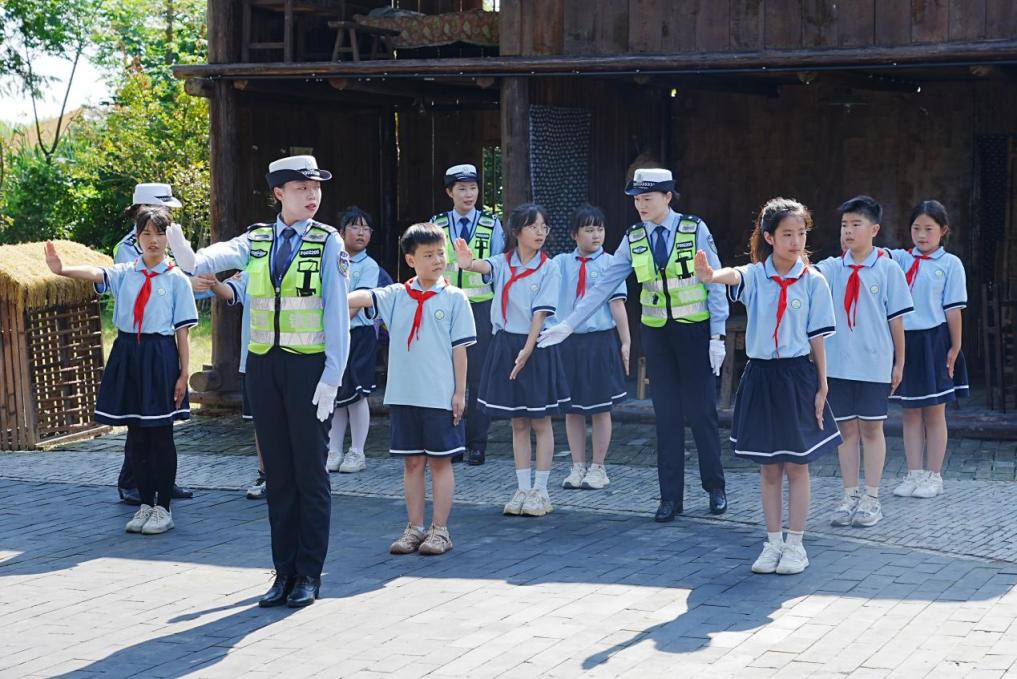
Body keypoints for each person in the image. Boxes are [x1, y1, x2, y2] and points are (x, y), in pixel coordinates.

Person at [167, 155, 350, 608]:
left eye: (316, 188)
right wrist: (184, 251)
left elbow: (337, 314)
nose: (312, 195)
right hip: (264, 368)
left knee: (310, 474)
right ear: (279, 194)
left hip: (308, 369)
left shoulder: (328, 242)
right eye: (301, 188)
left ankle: (308, 573)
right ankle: (283, 572)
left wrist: (332, 376)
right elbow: (211, 259)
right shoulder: (258, 238)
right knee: (278, 476)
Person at [538, 168, 728, 521]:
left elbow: (714, 281)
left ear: (667, 197)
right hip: (657, 335)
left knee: (702, 412)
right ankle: (670, 498)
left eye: (647, 198)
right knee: (666, 416)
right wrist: (569, 323)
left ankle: (714, 487)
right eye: (637, 199)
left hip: (694, 332)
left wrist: (717, 335)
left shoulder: (694, 229)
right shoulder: (634, 237)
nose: (640, 205)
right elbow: (604, 286)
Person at [694, 197, 841, 575]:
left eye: (801, 233)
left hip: (798, 376)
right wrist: (711, 276)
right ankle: (773, 542)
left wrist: (823, 385)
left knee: (797, 465)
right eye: (787, 234)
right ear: (770, 237)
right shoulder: (757, 276)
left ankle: (796, 545)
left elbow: (817, 338)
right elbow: (734, 275)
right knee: (770, 467)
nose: (796, 241)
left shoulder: (814, 282)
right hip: (761, 375)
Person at [45, 206, 197, 535]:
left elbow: (183, 332)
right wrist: (62, 269)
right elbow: (96, 273)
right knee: (136, 434)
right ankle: (145, 504)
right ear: (137, 237)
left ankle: (164, 508)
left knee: (161, 434)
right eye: (146, 233)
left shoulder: (176, 279)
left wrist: (184, 373)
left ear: (168, 238)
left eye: (160, 233)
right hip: (128, 353)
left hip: (159, 355)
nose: (153, 240)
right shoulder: (126, 271)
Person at [348, 222, 476, 555]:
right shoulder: (396, 295)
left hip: (440, 395)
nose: (437, 260)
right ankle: (415, 528)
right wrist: (335, 299)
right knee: (413, 463)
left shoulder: (455, 299)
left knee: (440, 463)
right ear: (410, 260)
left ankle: (440, 530)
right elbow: (365, 297)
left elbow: (460, 351)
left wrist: (460, 393)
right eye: (428, 255)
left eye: (440, 254)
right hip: (404, 395)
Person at [454, 203, 569, 517]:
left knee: (540, 420)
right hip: (506, 342)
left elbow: (540, 314)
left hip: (537, 345)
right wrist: (467, 263)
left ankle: (541, 491)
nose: (540, 233)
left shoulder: (549, 267)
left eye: (544, 227)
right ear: (517, 231)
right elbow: (482, 266)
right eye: (533, 226)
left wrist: (528, 349)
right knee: (518, 421)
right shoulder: (503, 262)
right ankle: (522, 488)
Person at [813, 196, 913, 528]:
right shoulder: (831, 268)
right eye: (844, 225)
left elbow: (897, 320)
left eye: (856, 224)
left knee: (871, 428)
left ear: (874, 230)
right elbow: (803, 272)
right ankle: (849, 495)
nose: (848, 231)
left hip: (874, 363)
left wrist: (899, 362)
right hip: (838, 364)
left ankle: (871, 497)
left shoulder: (888, 269)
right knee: (846, 431)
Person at [112, 183, 196, 505]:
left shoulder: (166, 240)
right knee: (139, 422)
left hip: (159, 344)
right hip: (136, 342)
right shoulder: (127, 249)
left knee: (158, 423)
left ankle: (163, 483)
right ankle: (131, 482)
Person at [887, 200, 968, 499]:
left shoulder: (950, 264)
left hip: (935, 341)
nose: (921, 235)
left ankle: (934, 475)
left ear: (943, 230)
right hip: (906, 342)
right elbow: (871, 254)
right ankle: (914, 473)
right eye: (916, 228)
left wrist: (955, 347)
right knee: (910, 412)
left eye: (929, 229)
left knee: (934, 412)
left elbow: (953, 310)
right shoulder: (899, 259)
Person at [551, 204, 631, 491]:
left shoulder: (611, 263)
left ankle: (598, 467)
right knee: (572, 409)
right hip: (568, 342)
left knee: (600, 407)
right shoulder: (561, 263)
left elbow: (617, 305)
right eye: (589, 230)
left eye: (600, 229)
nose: (596, 235)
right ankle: (577, 465)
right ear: (574, 234)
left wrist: (626, 341)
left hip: (599, 341)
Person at [431, 164, 505, 465]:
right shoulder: (437, 224)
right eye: (461, 188)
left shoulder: (492, 223)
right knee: (447, 376)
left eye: (473, 188)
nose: (468, 194)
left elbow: (498, 266)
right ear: (449, 192)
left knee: (477, 378)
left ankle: (477, 443)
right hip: (445, 307)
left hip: (480, 308)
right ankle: (452, 442)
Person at [202, 271, 267, 500]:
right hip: (256, 358)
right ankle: (265, 474)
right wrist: (214, 283)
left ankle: (297, 475)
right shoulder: (253, 267)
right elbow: (230, 292)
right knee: (262, 421)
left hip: (295, 358)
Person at [327, 207, 380, 475]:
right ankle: (334, 450)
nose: (361, 233)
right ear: (341, 232)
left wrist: (333, 326)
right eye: (355, 227)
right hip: (332, 334)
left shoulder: (369, 266)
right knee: (337, 393)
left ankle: (357, 451)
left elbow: (357, 303)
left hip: (358, 335)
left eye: (366, 228)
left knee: (358, 394)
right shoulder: (331, 260)